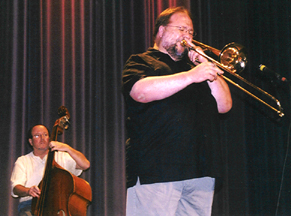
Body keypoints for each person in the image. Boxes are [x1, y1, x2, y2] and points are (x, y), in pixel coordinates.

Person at [122, 6, 232, 216]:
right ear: (161, 31)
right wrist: (192, 76)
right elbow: (140, 92)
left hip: (201, 173)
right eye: (181, 29)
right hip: (157, 170)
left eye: (190, 32)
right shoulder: (141, 61)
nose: (187, 36)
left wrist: (206, 66)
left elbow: (224, 105)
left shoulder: (197, 69)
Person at [10, 124, 90, 216]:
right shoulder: (23, 160)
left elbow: (85, 165)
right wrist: (28, 190)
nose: (42, 138)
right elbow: (16, 188)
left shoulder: (62, 156)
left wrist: (68, 148)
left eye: (45, 135)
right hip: (31, 204)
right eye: (37, 135)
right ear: (31, 141)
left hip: (58, 205)